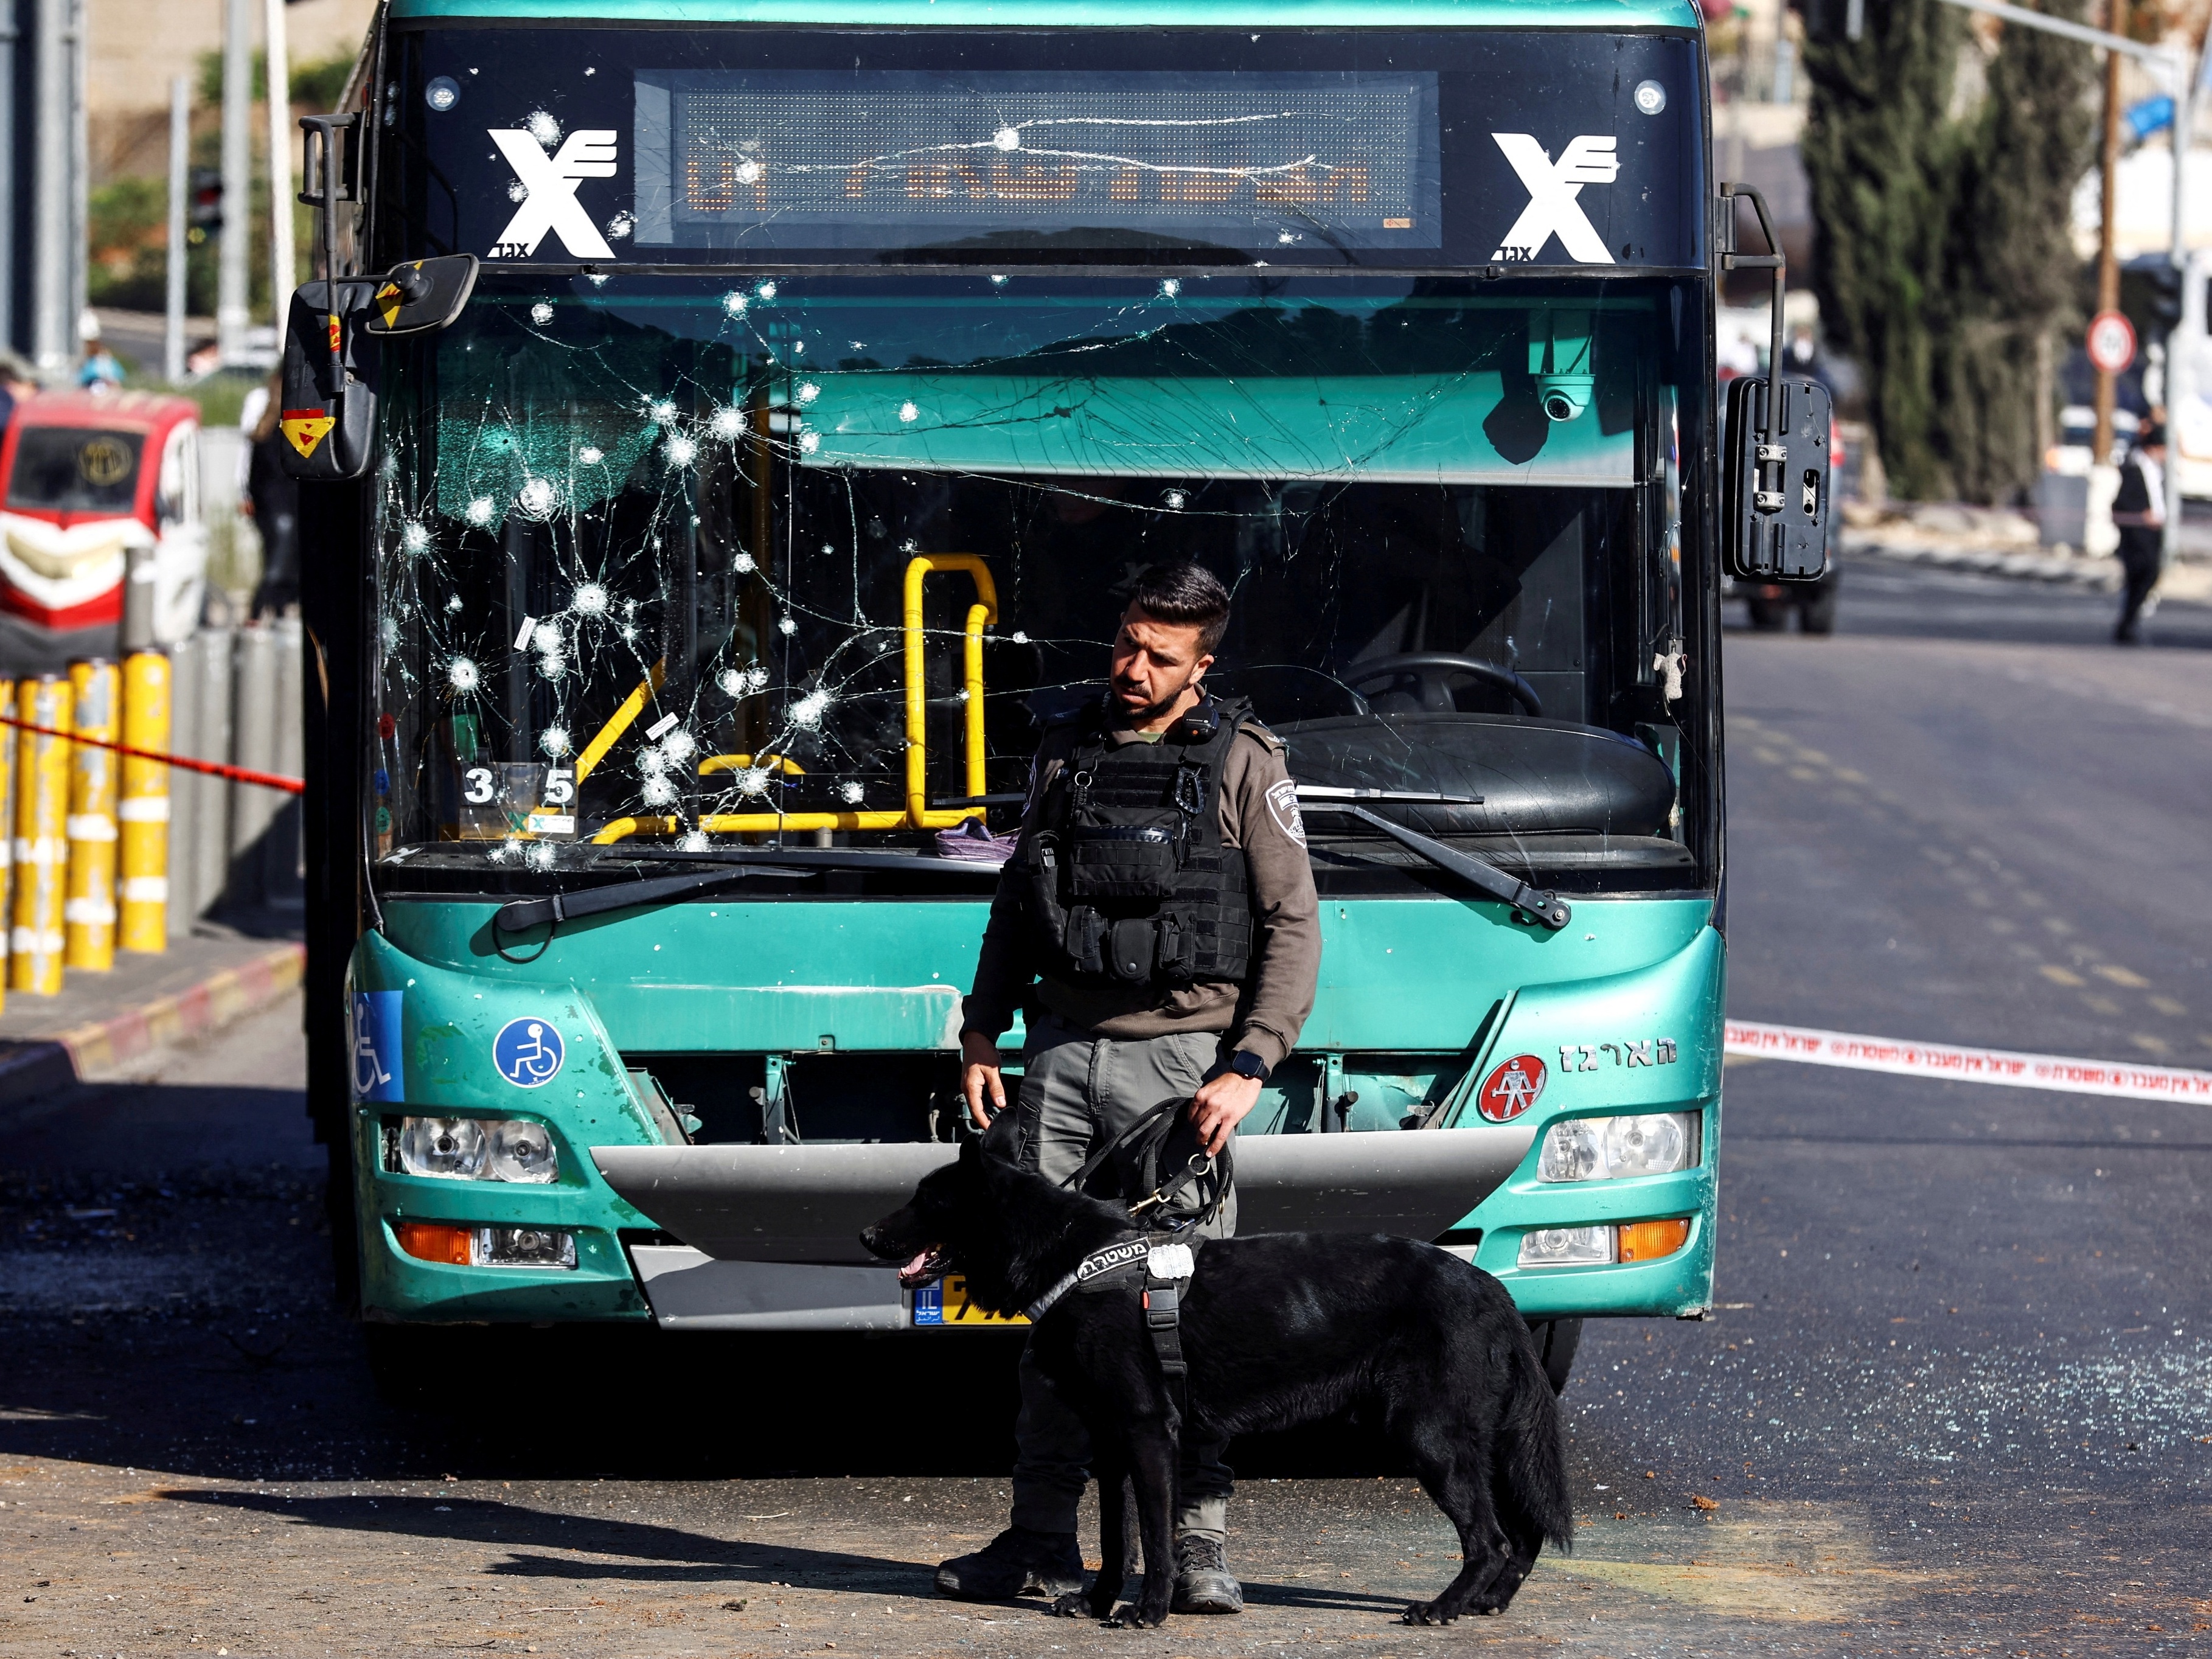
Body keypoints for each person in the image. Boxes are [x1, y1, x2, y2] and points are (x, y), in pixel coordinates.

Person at [939, 560, 1320, 1616]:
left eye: (1160, 655)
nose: (1133, 668)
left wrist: (1249, 1064)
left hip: (1181, 1074)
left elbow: (1293, 926)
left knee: (1180, 1322)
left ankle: (1196, 1547)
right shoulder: (1068, 748)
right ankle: (1038, 1540)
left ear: (1204, 661)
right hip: (1059, 1058)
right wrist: (981, 1027)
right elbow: (1020, 899)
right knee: (1054, 1323)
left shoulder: (1246, 760)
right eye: (1126, 644)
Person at [243, 374, 302, 616]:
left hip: (269, 507)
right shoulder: (283, 432)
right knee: (279, 568)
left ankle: (271, 612)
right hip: (285, 507)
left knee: (276, 562)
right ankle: (260, 612)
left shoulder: (264, 431)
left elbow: (252, 475)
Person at [2111, 420, 2165, 644]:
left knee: (2147, 576)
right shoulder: (2134, 468)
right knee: (2144, 574)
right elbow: (2121, 503)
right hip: (2137, 536)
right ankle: (2127, 624)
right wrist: (2142, 516)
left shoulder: (2157, 470)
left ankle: (2128, 623)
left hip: (2152, 535)